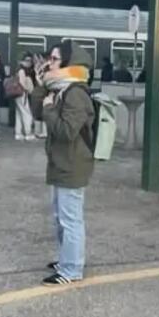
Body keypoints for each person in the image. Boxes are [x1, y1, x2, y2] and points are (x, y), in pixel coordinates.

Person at [32, 40, 96, 286]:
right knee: (61, 217)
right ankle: (66, 259)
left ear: (71, 63)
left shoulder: (76, 93)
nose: (50, 62)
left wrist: (49, 110)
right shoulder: (59, 88)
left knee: (71, 220)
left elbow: (67, 131)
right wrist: (40, 86)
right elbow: (38, 113)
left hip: (73, 163)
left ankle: (72, 269)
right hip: (60, 161)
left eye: (56, 59)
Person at [14, 54, 38, 141]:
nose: (29, 63)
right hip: (22, 94)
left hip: (17, 94)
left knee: (19, 114)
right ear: (22, 61)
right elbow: (22, 82)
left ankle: (18, 133)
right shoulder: (22, 71)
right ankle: (28, 133)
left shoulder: (18, 69)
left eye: (30, 61)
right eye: (27, 60)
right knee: (27, 113)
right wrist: (28, 89)